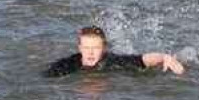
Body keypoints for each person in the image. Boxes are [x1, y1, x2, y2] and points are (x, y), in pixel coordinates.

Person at [44, 26, 184, 77]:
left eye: (96, 48)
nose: (91, 53)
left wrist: (164, 57)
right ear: (80, 48)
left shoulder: (112, 61)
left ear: (104, 48)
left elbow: (143, 59)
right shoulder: (66, 65)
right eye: (87, 48)